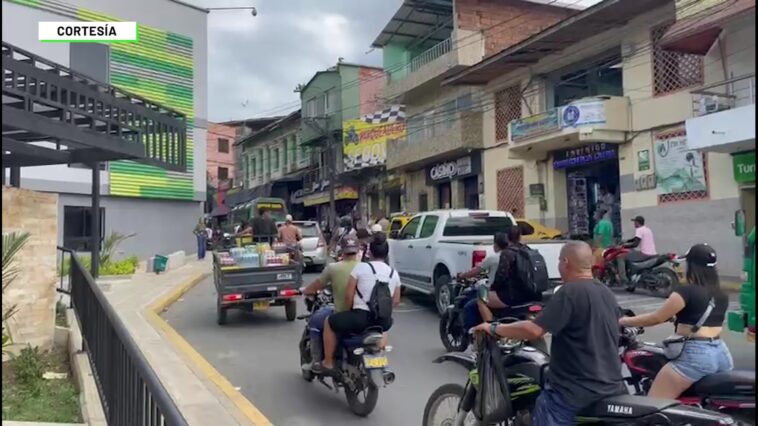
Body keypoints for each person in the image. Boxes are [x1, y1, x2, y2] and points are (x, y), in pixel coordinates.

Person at [471, 241, 627, 425]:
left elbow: (534, 330)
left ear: (566, 262)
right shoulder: (605, 292)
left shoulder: (569, 292)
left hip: (573, 392)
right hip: (612, 386)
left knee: (545, 407)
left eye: (560, 261)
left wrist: (493, 328)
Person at [619, 243, 732, 399]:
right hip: (721, 353)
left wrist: (624, 321)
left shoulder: (686, 291)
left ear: (692, 265)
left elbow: (656, 317)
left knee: (654, 404)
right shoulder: (722, 294)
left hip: (696, 355)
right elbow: (702, 316)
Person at [319, 233, 401, 375]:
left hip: (360, 318)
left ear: (369, 252)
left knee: (329, 322)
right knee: (384, 328)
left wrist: (347, 311)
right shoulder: (394, 273)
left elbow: (348, 296)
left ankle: (328, 362)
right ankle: (380, 356)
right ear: (386, 253)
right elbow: (396, 301)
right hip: (382, 320)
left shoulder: (361, 268)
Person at [301, 235, 362, 367]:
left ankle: (319, 361)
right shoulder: (365, 267)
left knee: (315, 322)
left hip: (342, 313)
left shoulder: (333, 268)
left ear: (341, 250)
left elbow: (316, 285)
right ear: (358, 250)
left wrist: (305, 290)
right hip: (363, 314)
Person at [477, 226, 540, 324]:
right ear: (520, 237)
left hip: (512, 296)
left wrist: (493, 288)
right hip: (531, 294)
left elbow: (501, 277)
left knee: (482, 298)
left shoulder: (507, 253)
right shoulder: (527, 250)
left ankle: (490, 330)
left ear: (507, 238)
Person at [457, 232, 508, 330]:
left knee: (470, 305)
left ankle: (487, 329)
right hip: (515, 293)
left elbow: (475, 271)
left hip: (499, 294)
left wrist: (462, 275)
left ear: (496, 245)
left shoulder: (493, 258)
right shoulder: (516, 255)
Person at [618, 215, 657, 284]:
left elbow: (635, 244)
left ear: (637, 223)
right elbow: (636, 239)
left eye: (634, 222)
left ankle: (623, 278)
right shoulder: (647, 229)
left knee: (621, 256)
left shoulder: (639, 230)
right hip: (652, 253)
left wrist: (623, 246)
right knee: (632, 253)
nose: (634, 224)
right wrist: (626, 241)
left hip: (645, 254)